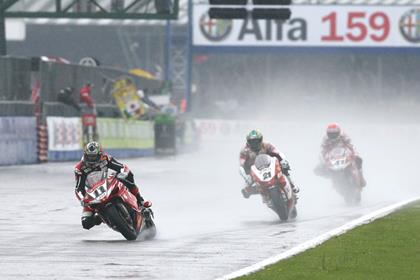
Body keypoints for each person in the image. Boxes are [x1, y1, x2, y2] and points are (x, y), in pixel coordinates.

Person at [74, 141, 152, 230]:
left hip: (107, 185)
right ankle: (101, 217)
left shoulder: (105, 159)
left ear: (100, 154)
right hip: (92, 194)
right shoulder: (79, 168)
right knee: (86, 223)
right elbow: (78, 188)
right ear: (85, 155)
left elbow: (122, 167)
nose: (92, 159)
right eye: (89, 156)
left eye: (94, 156)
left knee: (128, 176)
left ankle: (140, 200)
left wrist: (123, 173)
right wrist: (83, 199)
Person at [239, 129, 300, 199]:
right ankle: (265, 196)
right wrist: (246, 176)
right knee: (245, 189)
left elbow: (278, 153)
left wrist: (283, 161)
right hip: (256, 171)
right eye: (252, 142)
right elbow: (242, 165)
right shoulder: (244, 151)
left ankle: (293, 187)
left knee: (284, 168)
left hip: (271, 165)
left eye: (256, 141)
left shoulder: (267, 145)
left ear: (261, 140)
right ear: (248, 142)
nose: (254, 143)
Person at [315, 123, 366, 187]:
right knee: (318, 169)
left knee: (358, 160)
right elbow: (324, 151)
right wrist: (324, 161)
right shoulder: (325, 139)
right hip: (333, 158)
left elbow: (350, 146)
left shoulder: (343, 136)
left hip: (344, 155)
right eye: (331, 134)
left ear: (339, 132)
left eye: (334, 133)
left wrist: (355, 154)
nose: (333, 135)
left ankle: (361, 178)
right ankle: (333, 178)